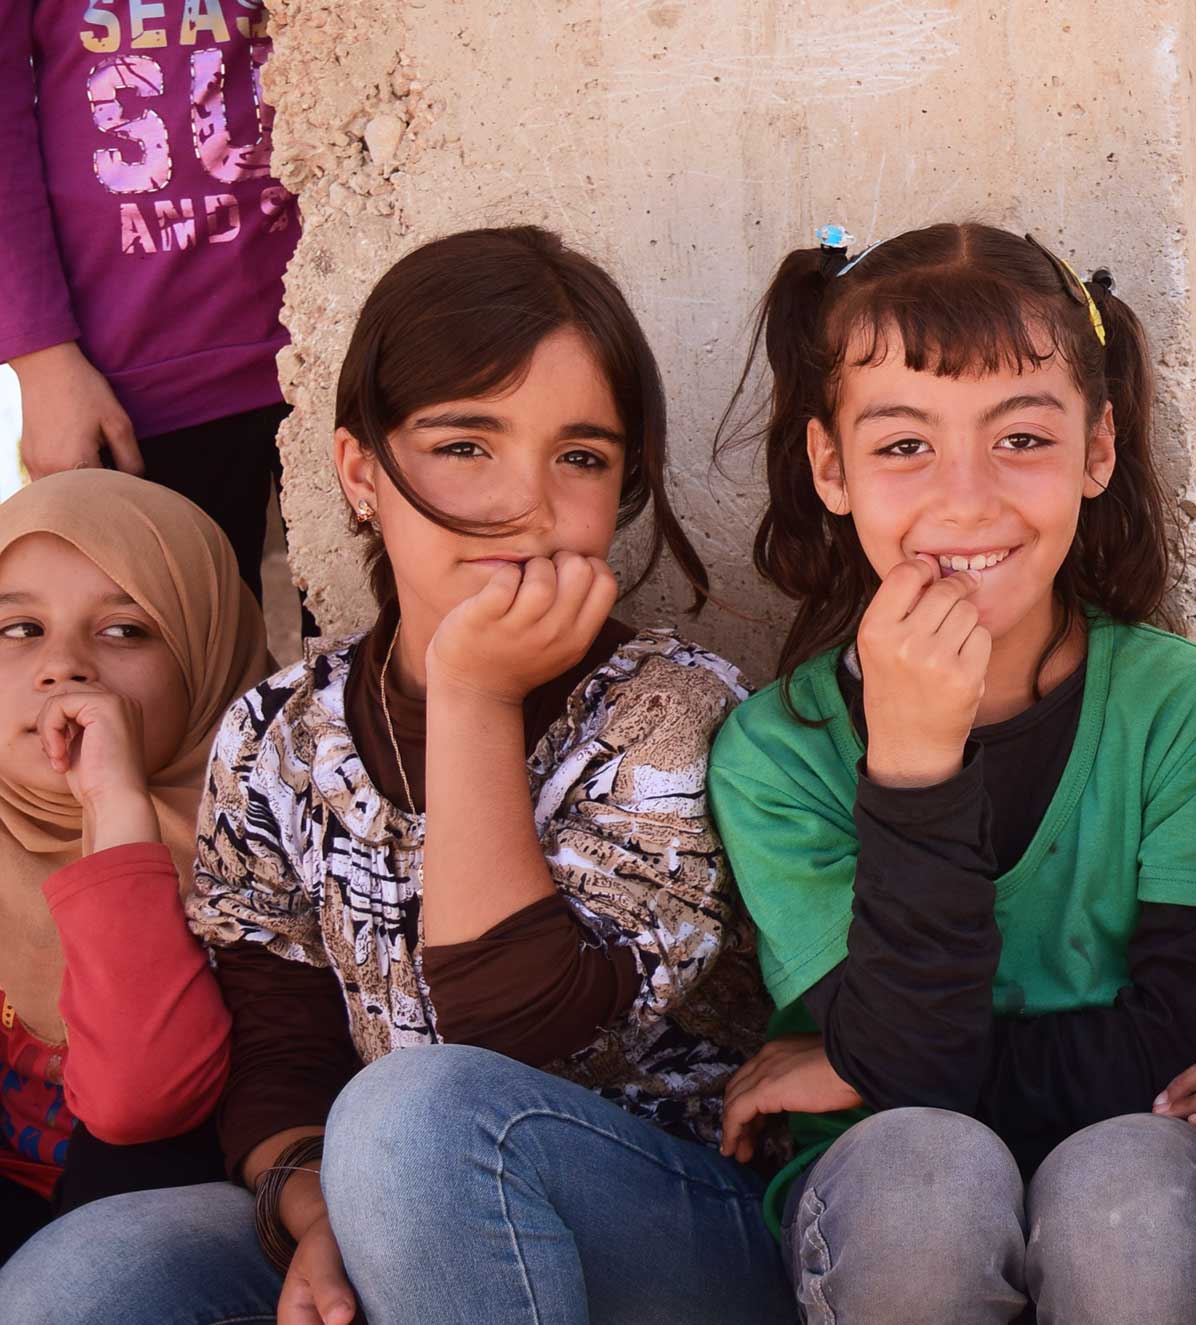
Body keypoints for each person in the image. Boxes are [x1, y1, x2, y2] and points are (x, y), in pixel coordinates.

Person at [0, 227, 788, 1325]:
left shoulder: (672, 711)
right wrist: (316, 1209)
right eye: (467, 445)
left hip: (668, 1226)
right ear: (361, 472)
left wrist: (471, 696)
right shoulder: (280, 728)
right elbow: (278, 1043)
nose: (524, 499)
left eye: (581, 455)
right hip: (385, 1193)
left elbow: (520, 1030)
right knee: (81, 1273)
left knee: (414, 1113)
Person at [709, 222, 1196, 1325]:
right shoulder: (778, 753)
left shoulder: (1188, 712)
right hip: (885, 1189)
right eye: (902, 446)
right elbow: (910, 1086)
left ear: (1097, 449)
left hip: (1149, 1172)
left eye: (1020, 438)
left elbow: (1173, 1053)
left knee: (1126, 1194)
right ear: (829, 466)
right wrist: (915, 762)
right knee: (923, 1179)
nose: (966, 499)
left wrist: (858, 1060)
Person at [0, 470, 268, 1265]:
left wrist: (117, 809)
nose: (63, 669)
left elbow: (137, 1101)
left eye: (125, 630)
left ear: (208, 656)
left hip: (134, 1248)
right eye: (18, 629)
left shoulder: (259, 847)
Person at [1, 0, 298, 595]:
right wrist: (43, 363)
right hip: (137, 381)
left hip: (329, 345)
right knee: (176, 654)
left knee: (364, 647)